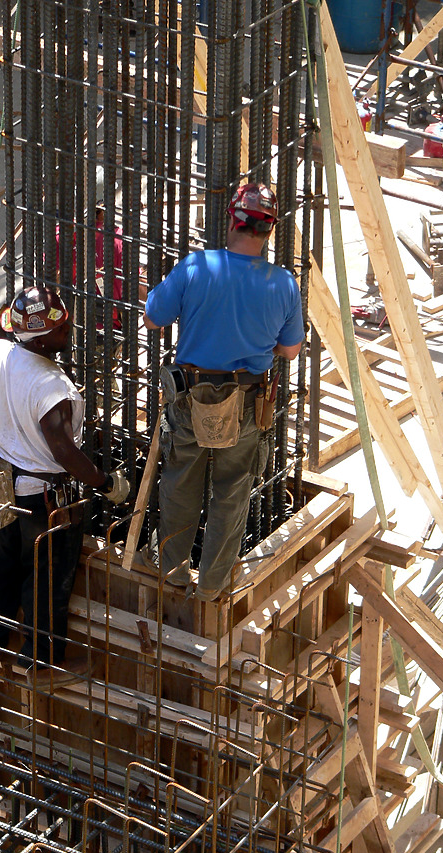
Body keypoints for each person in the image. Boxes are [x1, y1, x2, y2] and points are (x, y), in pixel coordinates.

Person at [143, 183, 303, 602]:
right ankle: (212, 586)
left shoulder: (196, 267)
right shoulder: (283, 283)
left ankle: (173, 573)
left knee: (180, 484)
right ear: (269, 232)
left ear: (232, 219)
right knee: (231, 491)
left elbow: (153, 319)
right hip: (247, 403)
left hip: (191, 397)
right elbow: (290, 349)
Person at [0, 285, 129, 673]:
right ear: (42, 337)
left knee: (0, 563)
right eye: (62, 329)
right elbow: (64, 452)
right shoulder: (50, 385)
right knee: (46, 577)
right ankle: (39, 660)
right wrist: (105, 483)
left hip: (1, 486)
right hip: (44, 498)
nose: (69, 331)